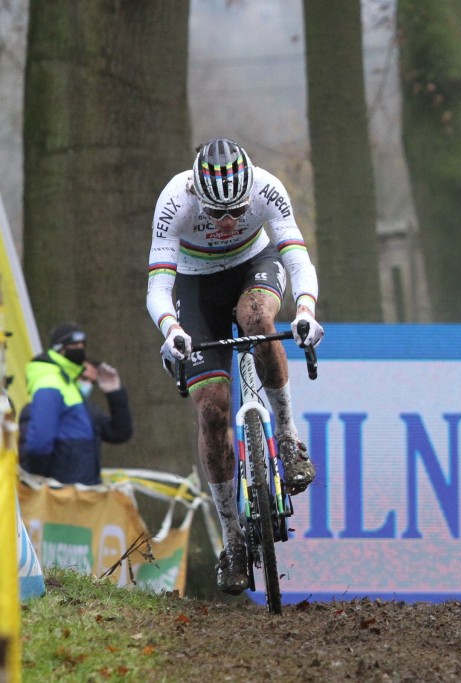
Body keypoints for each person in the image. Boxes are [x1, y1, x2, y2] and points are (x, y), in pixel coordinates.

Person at [146, 138, 325, 595]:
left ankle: (288, 439)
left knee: (259, 320)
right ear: (196, 193)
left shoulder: (267, 188)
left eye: (236, 211)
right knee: (211, 409)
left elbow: (296, 255)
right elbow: (158, 287)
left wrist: (305, 311)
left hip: (253, 266)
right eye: (216, 213)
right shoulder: (175, 200)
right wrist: (171, 330)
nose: (226, 221)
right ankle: (233, 542)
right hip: (195, 286)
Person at [20, 323, 133, 485]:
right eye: (74, 345)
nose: (79, 349)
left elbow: (120, 433)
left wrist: (114, 392)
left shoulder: (82, 405)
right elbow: (38, 445)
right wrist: (41, 486)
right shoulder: (50, 385)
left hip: (80, 496)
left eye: (82, 346)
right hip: (60, 498)